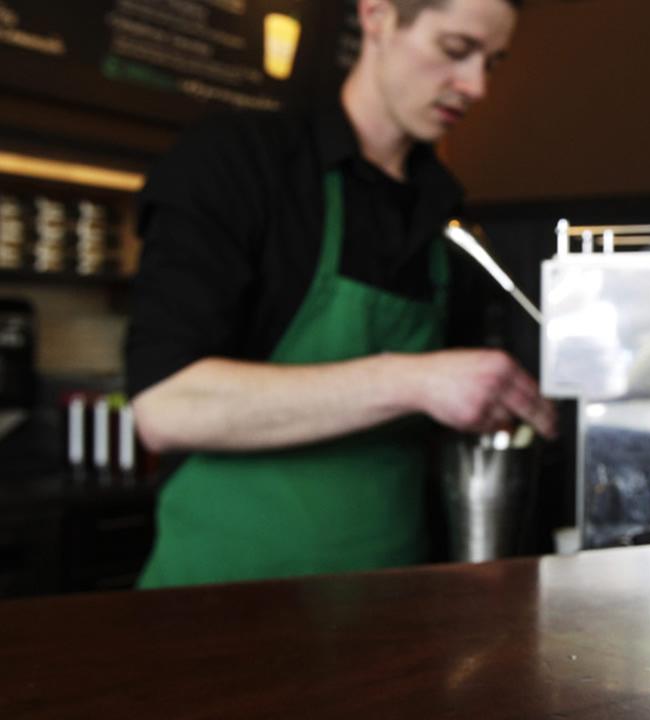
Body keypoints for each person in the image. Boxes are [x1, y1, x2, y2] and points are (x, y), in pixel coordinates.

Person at [126, 0, 554, 588]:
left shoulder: (443, 212)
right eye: (455, 50)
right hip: (223, 606)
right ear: (377, 16)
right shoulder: (235, 160)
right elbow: (166, 406)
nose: (476, 86)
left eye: (492, 62)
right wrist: (415, 380)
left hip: (396, 608)